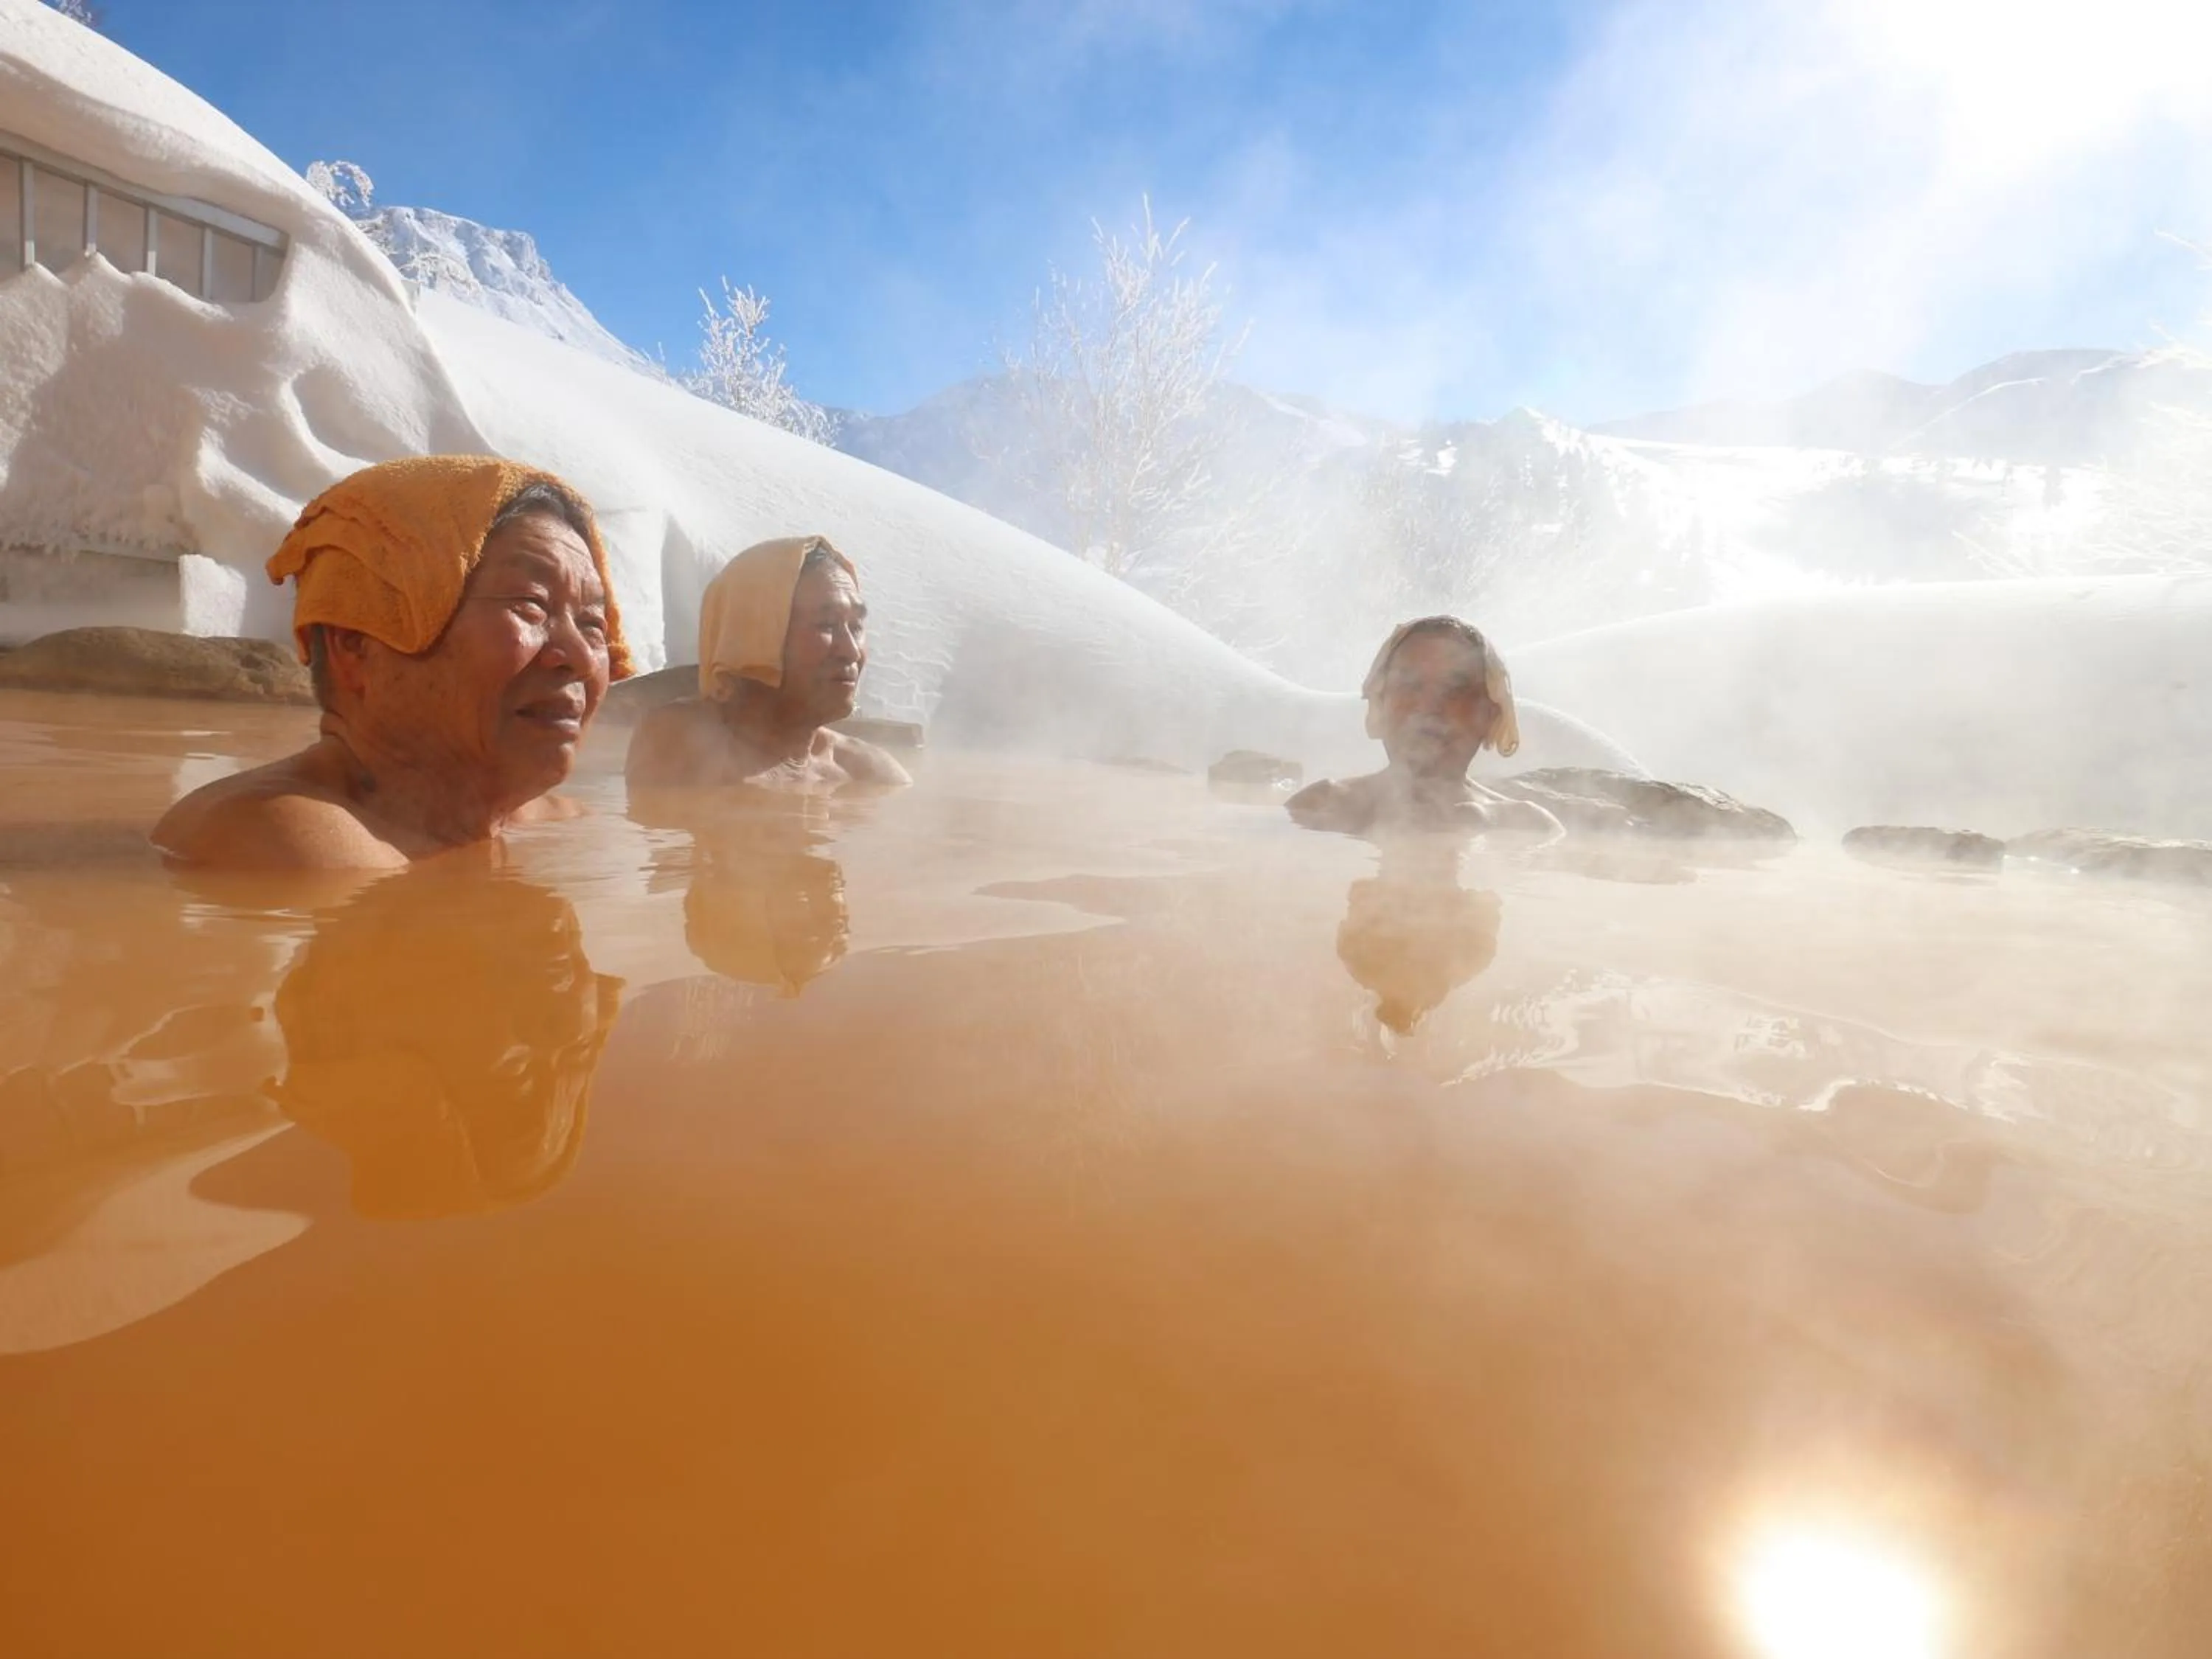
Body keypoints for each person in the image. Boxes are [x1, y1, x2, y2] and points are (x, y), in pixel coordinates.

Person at [152, 456, 632, 870]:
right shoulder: (284, 839)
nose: (579, 658)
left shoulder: (560, 824)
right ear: (356, 644)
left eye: (593, 623)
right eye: (530, 605)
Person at [268, 869, 623, 1220]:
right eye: (578, 1053)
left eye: (519, 1073)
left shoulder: (306, 864)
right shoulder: (544, 837)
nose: (575, 1025)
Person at [624, 536, 910, 795]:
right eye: (827, 624)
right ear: (752, 634)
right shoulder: (679, 744)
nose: (850, 651)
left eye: (856, 626)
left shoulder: (868, 772)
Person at [1286, 616, 1562, 841]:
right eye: (1409, 685)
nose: (1429, 706)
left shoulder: (1524, 825)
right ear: (1380, 701)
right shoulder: (1324, 803)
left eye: (1456, 688)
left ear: (1492, 713)